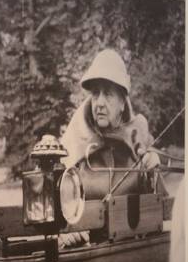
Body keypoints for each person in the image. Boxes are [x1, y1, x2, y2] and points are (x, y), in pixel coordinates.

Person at [59, 49, 161, 247]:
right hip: (85, 256)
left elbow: (158, 209)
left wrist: (154, 172)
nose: (99, 103)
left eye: (108, 94)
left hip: (131, 253)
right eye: (96, 94)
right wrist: (63, 233)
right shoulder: (73, 143)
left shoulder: (137, 138)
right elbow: (57, 210)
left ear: (123, 102)